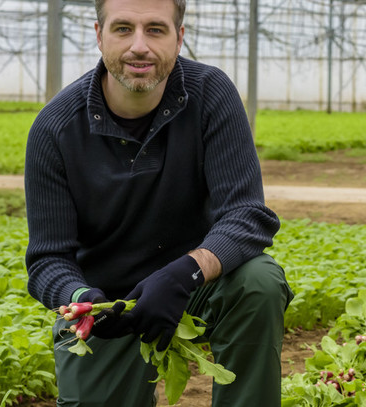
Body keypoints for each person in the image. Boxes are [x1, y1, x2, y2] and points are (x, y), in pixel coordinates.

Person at [23, 0, 293, 404]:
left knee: (257, 282)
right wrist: (85, 301)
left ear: (178, 38)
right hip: (112, 303)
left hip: (197, 284)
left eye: (155, 29)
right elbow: (48, 259)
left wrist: (184, 273)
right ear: (99, 35)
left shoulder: (209, 94)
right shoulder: (55, 128)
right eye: (122, 29)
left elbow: (246, 215)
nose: (139, 46)